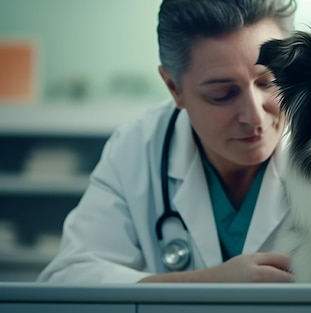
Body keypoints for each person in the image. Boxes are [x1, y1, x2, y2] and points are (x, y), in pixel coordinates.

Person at [37, 0, 297, 283]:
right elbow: (66, 279)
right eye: (222, 94)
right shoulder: (138, 148)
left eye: (268, 82)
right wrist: (209, 283)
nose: (254, 116)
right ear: (175, 88)